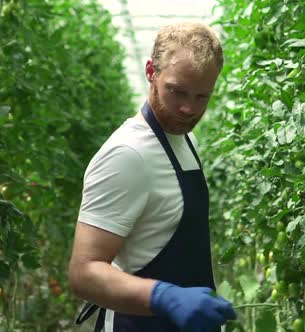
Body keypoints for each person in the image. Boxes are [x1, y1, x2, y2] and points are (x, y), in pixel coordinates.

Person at [68, 22, 236, 332]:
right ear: (151, 71)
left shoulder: (184, 139)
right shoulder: (127, 155)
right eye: (177, 91)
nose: (189, 108)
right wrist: (165, 296)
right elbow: (84, 273)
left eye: (202, 96)